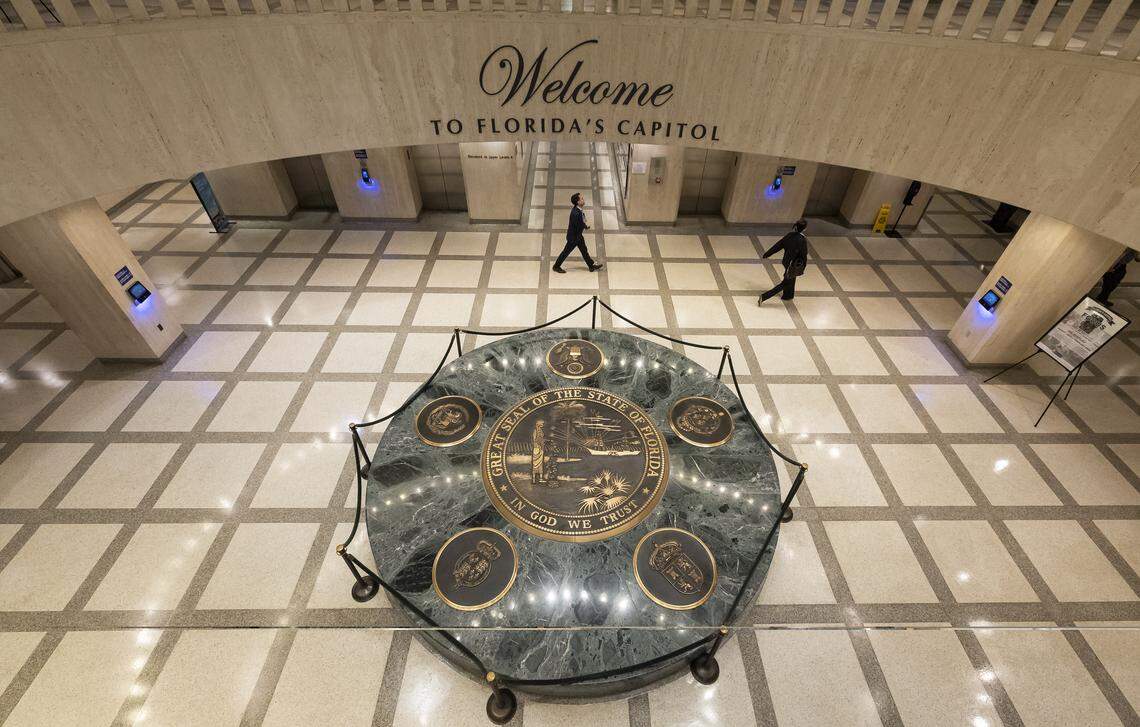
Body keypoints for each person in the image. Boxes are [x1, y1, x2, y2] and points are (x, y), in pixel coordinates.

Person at [758, 219, 809, 303]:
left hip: (787, 262)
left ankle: (788, 295)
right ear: (804, 229)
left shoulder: (790, 235)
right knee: (786, 282)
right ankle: (764, 297)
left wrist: (767, 254)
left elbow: (779, 245)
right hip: (793, 265)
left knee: (791, 278)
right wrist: (804, 266)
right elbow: (804, 254)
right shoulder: (802, 240)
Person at [553, 192, 603, 274]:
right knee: (565, 252)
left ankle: (591, 266)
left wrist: (585, 226)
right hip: (573, 238)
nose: (583, 200)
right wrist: (583, 227)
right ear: (578, 202)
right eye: (582, 199)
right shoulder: (576, 213)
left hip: (578, 236)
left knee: (584, 251)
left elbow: (581, 222)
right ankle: (556, 266)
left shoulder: (578, 210)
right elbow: (578, 225)